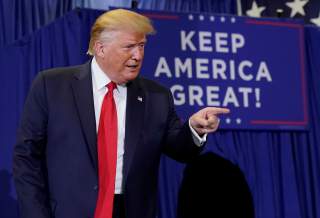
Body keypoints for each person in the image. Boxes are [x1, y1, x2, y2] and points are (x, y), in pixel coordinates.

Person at [13, 9, 230, 218]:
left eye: (142, 46)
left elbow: (180, 149)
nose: (138, 55)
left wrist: (194, 128)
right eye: (129, 47)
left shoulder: (157, 96)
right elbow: (26, 158)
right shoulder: (51, 86)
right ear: (100, 48)